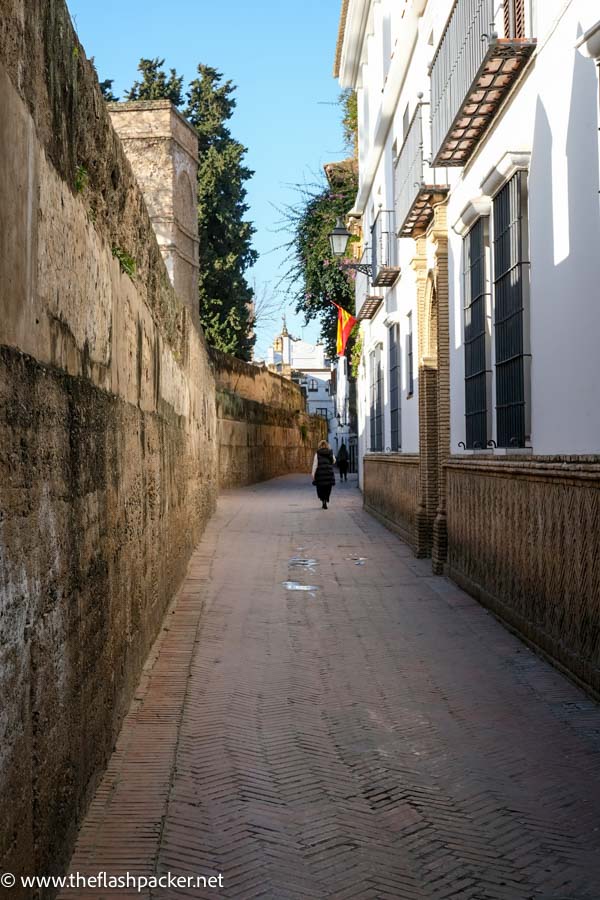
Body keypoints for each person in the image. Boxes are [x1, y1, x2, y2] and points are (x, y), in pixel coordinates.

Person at [311, 440, 336, 509]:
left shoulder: (317, 454)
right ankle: (326, 499)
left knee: (320, 489)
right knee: (328, 488)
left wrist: (313, 474)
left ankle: (323, 501)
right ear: (327, 445)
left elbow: (315, 465)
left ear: (320, 446)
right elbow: (334, 461)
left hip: (320, 474)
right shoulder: (330, 453)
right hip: (329, 473)